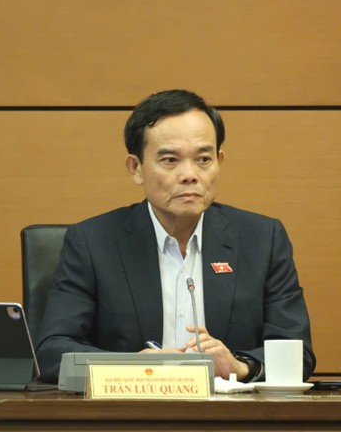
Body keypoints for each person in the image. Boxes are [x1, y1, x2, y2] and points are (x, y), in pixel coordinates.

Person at [35, 89, 315, 383]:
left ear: (219, 160)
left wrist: (239, 366)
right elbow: (53, 351)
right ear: (136, 168)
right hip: (130, 419)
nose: (189, 174)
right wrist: (126, 367)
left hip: (230, 420)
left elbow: (298, 354)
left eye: (203, 159)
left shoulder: (261, 240)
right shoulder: (92, 243)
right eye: (170, 160)